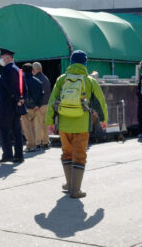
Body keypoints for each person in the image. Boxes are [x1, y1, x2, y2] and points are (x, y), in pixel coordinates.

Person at [45, 50, 107, 199]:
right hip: (81, 125)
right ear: (85, 63)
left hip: (64, 125)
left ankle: (69, 184)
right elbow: (100, 102)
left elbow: (52, 101)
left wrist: (50, 122)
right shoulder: (89, 81)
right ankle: (76, 190)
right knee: (79, 155)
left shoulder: (62, 79)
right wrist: (104, 120)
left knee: (66, 153)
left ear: (71, 62)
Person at [0, 47, 26, 164]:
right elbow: (24, 87)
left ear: (7, 58)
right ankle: (19, 155)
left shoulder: (6, 70)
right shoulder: (19, 70)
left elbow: (9, 87)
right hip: (16, 106)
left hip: (6, 106)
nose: (0, 59)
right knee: (17, 131)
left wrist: (16, 97)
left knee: (5, 131)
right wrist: (21, 99)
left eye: (1, 57)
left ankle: (8, 155)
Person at [20, 63, 44, 153]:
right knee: (36, 127)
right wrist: (38, 105)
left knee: (27, 128)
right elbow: (42, 94)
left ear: (23, 71)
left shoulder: (23, 81)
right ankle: (37, 143)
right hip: (37, 108)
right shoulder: (38, 81)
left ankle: (30, 145)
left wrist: (32, 105)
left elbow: (25, 95)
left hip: (26, 108)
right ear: (32, 70)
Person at [32, 62, 52, 149]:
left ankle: (37, 142)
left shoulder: (35, 79)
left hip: (39, 105)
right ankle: (46, 141)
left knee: (37, 125)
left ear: (35, 70)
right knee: (44, 124)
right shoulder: (45, 78)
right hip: (46, 104)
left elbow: (36, 94)